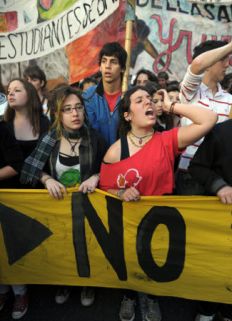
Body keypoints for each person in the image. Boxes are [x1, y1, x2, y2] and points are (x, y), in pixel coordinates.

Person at [99, 86, 217, 321]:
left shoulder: (166, 140)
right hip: (128, 223)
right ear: (127, 115)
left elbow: (209, 119)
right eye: (139, 100)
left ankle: (151, 297)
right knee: (130, 262)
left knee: (154, 264)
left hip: (160, 223)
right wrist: (120, 192)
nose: (148, 104)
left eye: (151, 101)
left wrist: (170, 106)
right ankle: (129, 296)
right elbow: (103, 190)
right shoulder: (115, 151)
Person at [20, 85, 107, 307]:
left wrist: (96, 176)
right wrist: (47, 179)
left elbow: (111, 170)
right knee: (63, 248)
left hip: (88, 210)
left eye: (78, 107)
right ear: (58, 114)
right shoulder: (51, 139)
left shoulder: (95, 139)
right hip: (59, 210)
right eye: (67, 109)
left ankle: (89, 283)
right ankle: (64, 281)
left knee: (88, 246)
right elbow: (29, 169)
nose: (75, 114)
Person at [0, 78, 49, 320]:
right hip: (8, 194)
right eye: (8, 91)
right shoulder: (4, 126)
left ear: (30, 94)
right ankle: (9, 291)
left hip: (37, 193)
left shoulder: (45, 123)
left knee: (28, 245)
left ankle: (28, 289)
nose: (11, 93)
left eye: (17, 89)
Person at [176, 40, 232, 196]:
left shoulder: (229, 99)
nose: (227, 65)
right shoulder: (190, 92)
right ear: (209, 62)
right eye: (223, 60)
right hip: (189, 176)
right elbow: (198, 63)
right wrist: (229, 46)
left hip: (219, 178)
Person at [189, 120, 232, 321]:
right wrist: (219, 186)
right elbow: (196, 167)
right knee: (215, 268)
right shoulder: (221, 132)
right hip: (219, 221)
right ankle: (206, 310)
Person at [83, 42, 127, 147]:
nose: (107, 66)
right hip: (96, 156)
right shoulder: (88, 96)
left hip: (125, 158)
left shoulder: (132, 96)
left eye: (113, 62)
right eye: (104, 61)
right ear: (100, 67)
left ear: (123, 68)